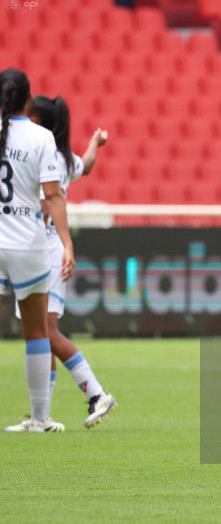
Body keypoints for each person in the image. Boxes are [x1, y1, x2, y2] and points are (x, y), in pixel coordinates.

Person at [5, 95, 115, 432]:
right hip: (38, 248)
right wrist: (96, 142)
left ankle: (97, 393)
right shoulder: (63, 159)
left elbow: (44, 198)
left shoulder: (40, 155)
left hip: (46, 250)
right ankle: (41, 417)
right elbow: (88, 164)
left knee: (46, 333)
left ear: (35, 120)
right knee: (38, 335)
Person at [0, 68, 75, 432]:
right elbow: (53, 195)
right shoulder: (41, 137)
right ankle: (40, 418)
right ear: (28, 100)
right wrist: (66, 243)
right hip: (27, 245)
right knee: (36, 332)